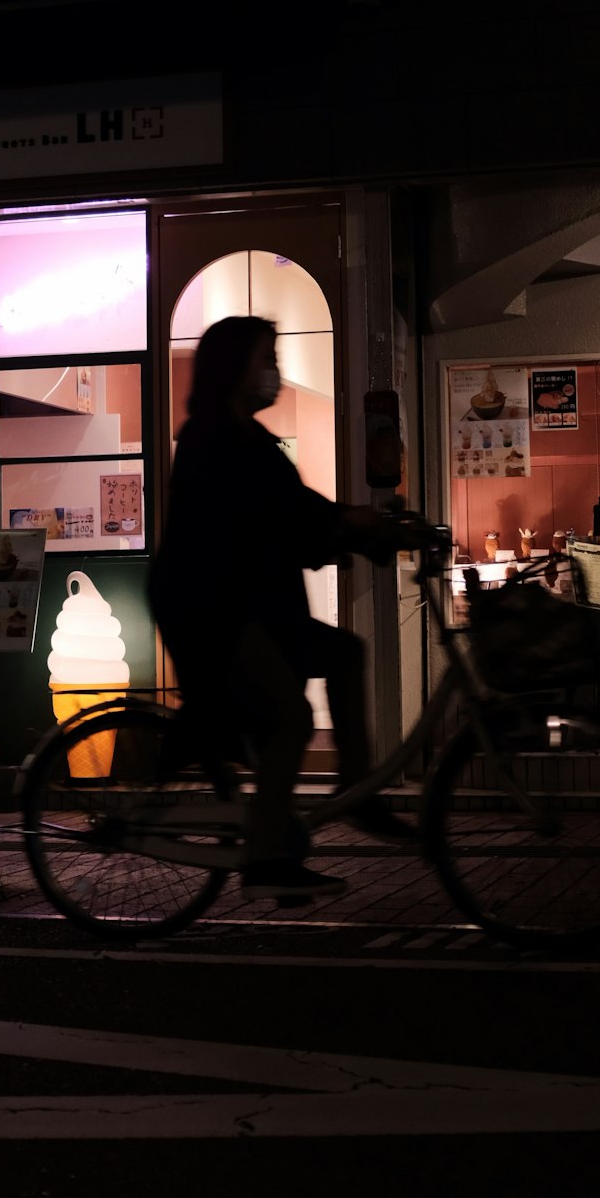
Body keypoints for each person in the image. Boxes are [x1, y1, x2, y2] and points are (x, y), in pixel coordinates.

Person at [149, 314, 415, 901]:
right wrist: (349, 524)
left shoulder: (244, 434)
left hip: (248, 602)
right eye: (266, 359)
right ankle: (267, 855)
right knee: (291, 717)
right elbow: (279, 512)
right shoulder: (214, 436)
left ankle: (358, 794)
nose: (276, 371)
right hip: (212, 606)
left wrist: (358, 531)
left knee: (345, 653)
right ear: (233, 368)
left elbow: (287, 518)